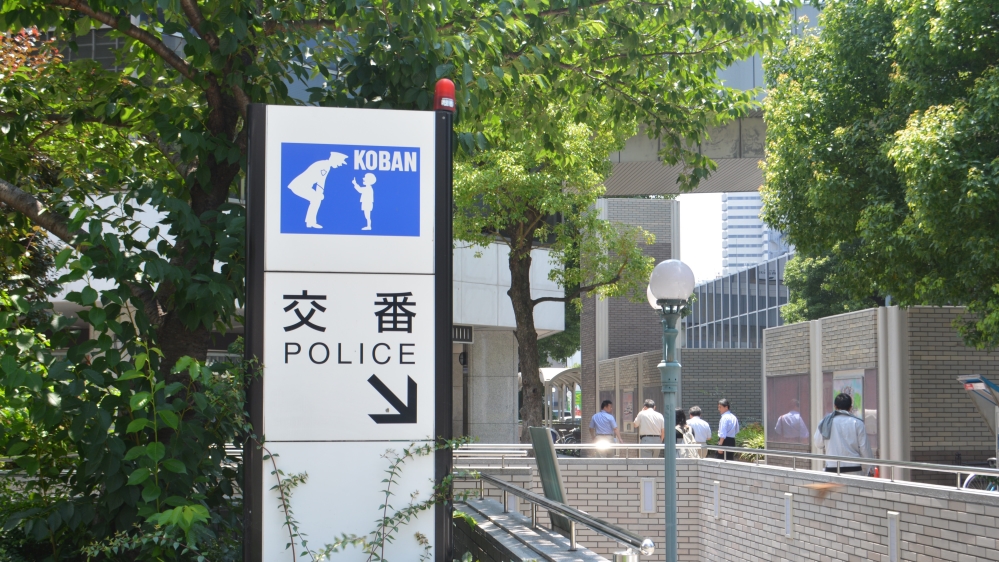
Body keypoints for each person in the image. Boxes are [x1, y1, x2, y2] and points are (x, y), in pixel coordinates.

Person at [813, 393, 874, 473]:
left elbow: (818, 444)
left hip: (832, 468)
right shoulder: (858, 423)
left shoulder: (825, 422)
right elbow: (864, 448)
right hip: (854, 469)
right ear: (850, 407)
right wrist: (871, 467)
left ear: (835, 406)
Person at [287, 151, 349, 229]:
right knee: (316, 199)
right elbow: (321, 182)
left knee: (316, 199)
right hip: (299, 186)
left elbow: (320, 182)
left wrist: (319, 194)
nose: (340, 165)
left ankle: (310, 222)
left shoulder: (325, 165)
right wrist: (320, 194)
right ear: (334, 160)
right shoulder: (324, 166)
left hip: (303, 186)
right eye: (339, 162)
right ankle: (310, 222)